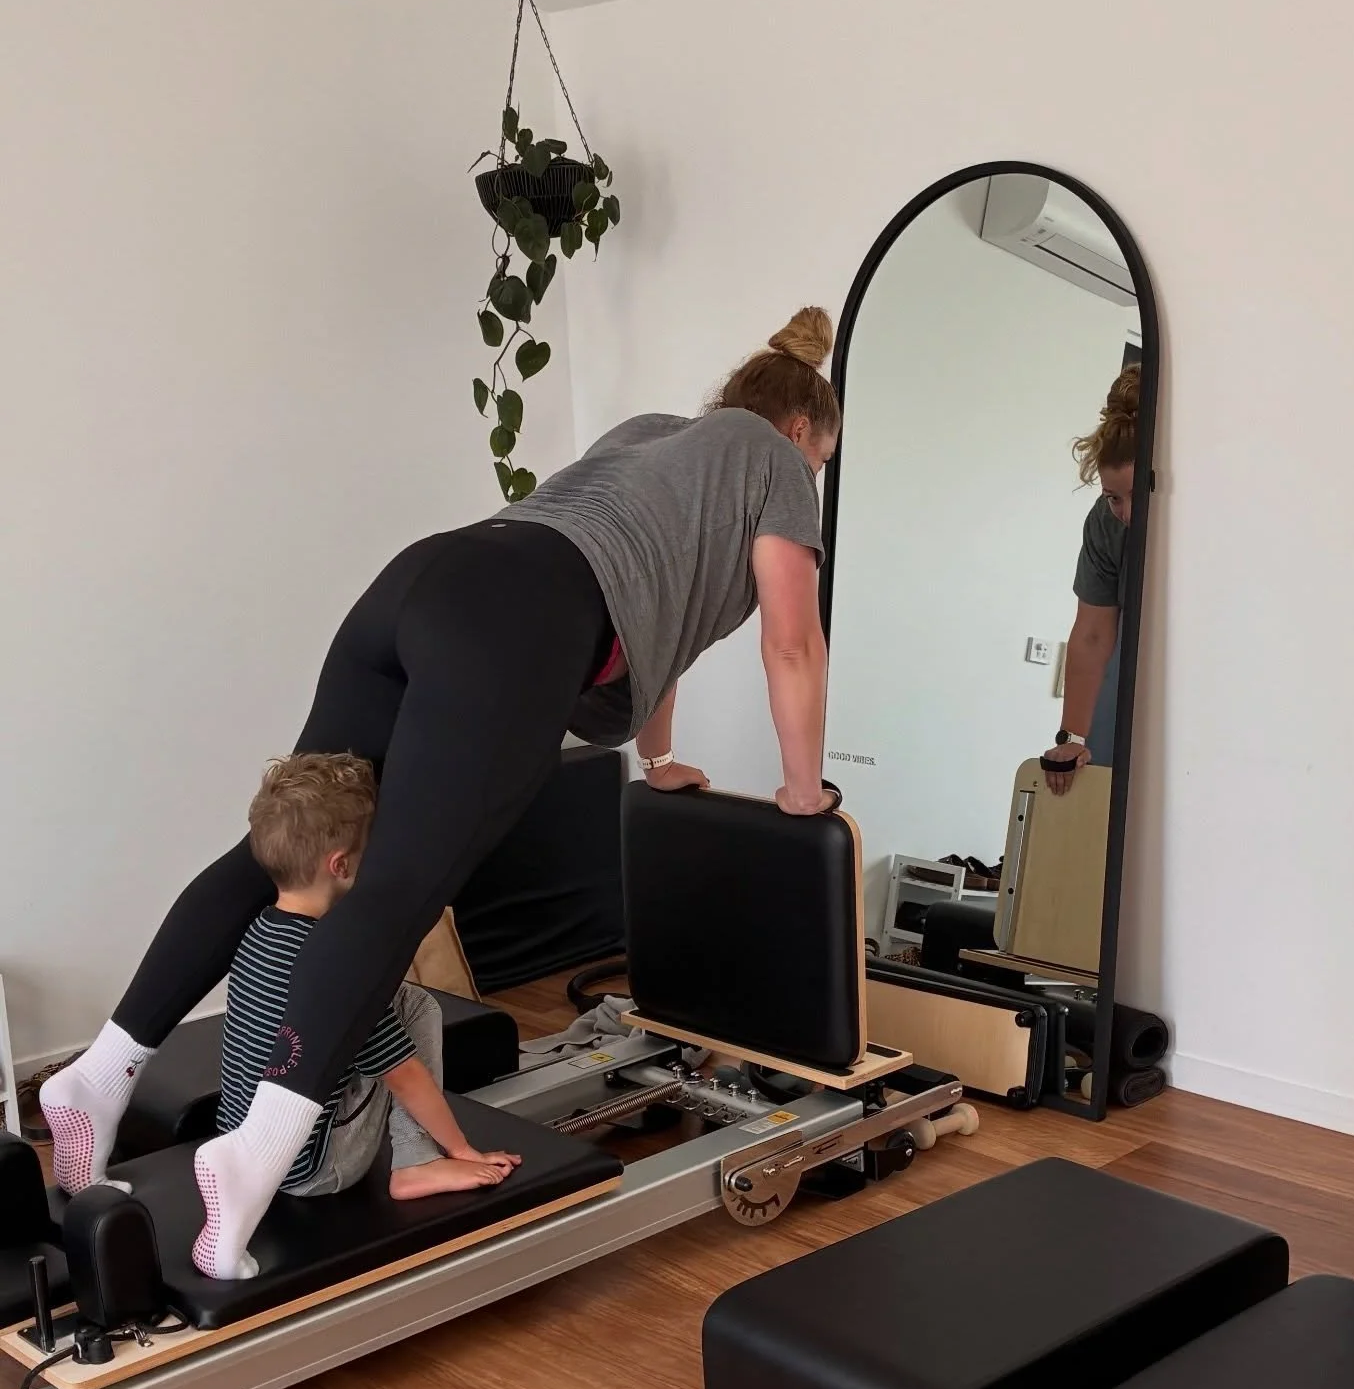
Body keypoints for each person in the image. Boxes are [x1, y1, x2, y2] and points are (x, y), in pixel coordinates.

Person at [43, 307, 841, 1279]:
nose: (812, 481)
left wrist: (661, 758)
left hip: (427, 575)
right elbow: (792, 642)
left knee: (283, 850)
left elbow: (651, 631)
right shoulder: (775, 463)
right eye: (820, 460)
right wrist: (803, 789)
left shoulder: (652, 441)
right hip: (511, 626)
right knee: (392, 889)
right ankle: (250, 1159)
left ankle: (99, 1074)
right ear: (800, 429)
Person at [202, 753, 520, 1276]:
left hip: (242, 1137)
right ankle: (418, 1164)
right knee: (417, 1006)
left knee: (397, 1001)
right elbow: (405, 1076)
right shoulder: (333, 964)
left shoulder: (258, 933)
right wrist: (462, 1149)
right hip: (313, 1170)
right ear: (342, 866)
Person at [1043, 364, 1139, 797]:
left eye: (1136, 495)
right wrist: (1072, 739)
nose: (1127, 513)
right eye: (1114, 497)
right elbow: (1093, 633)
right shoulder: (1105, 524)